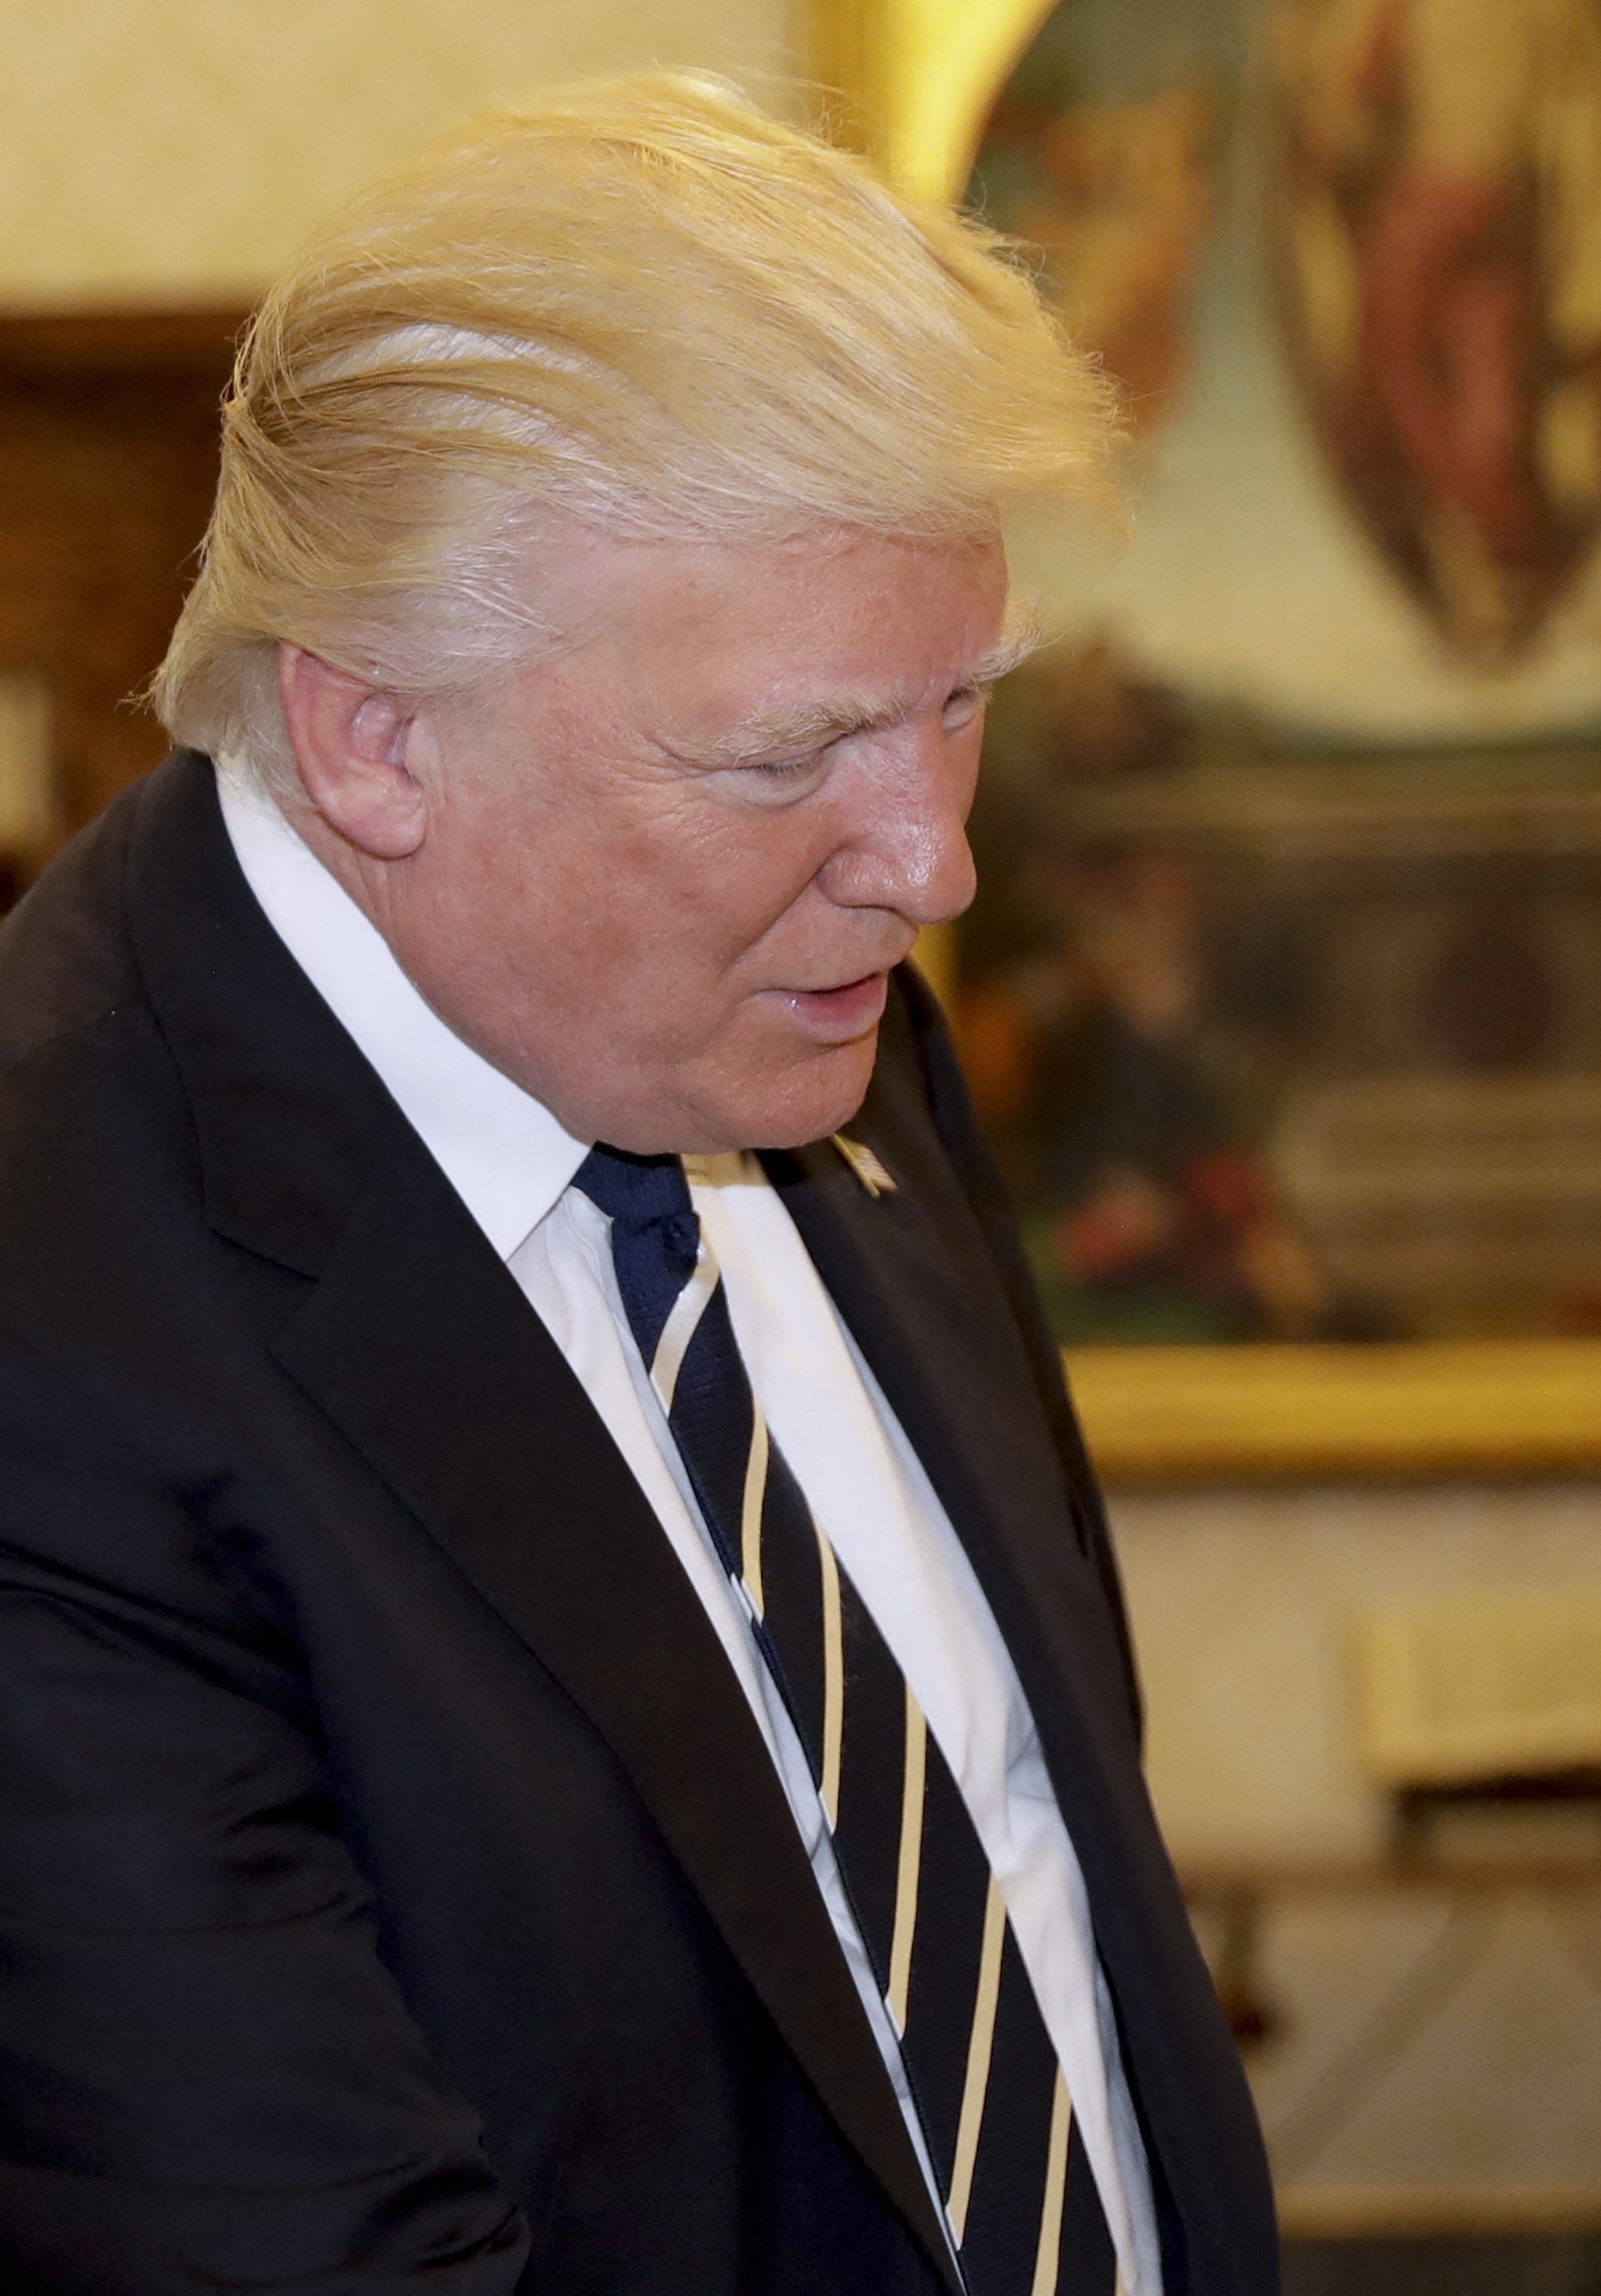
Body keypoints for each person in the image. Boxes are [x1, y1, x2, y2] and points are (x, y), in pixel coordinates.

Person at [0, 75, 1277, 2295]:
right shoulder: (51, 1302)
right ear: (374, 733)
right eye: (788, 753)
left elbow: (1048, 1949)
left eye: (960, 703)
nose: (935, 862)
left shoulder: (794, 1007)